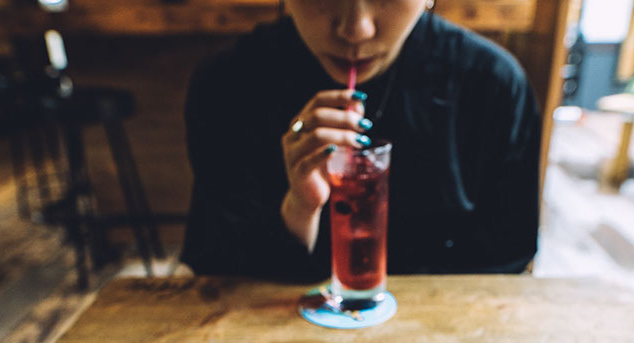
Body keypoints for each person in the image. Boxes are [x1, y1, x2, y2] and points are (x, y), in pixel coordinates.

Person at [180, 0, 540, 282]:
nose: (355, 30)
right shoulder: (226, 86)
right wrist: (298, 212)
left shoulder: (493, 85)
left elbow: (508, 257)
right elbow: (217, 268)